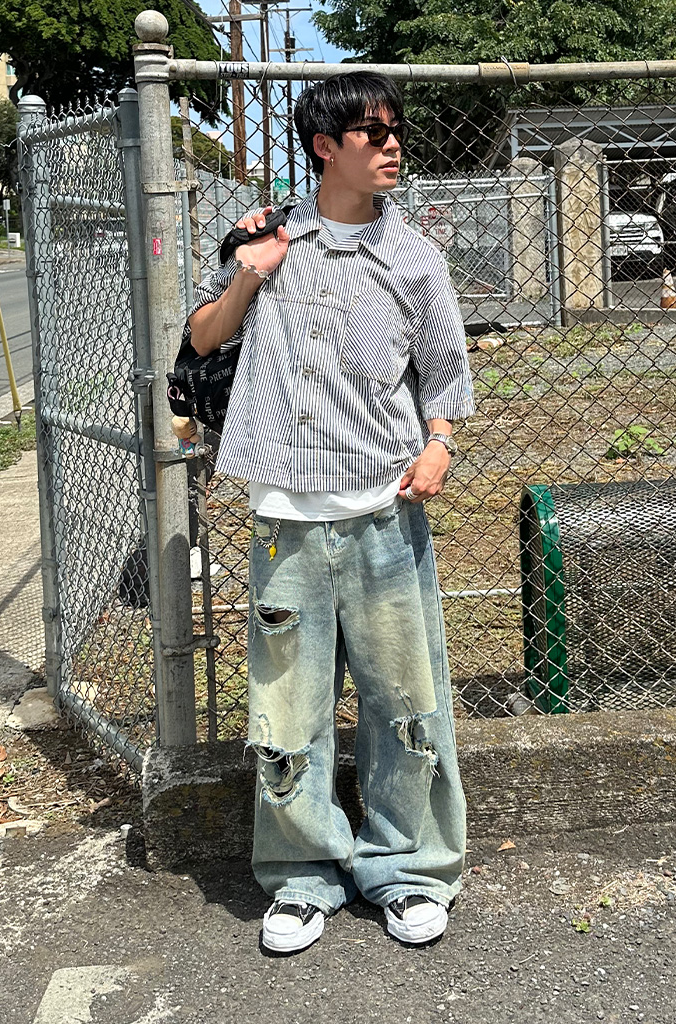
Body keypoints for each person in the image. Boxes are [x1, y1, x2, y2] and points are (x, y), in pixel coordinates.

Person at [186, 71, 474, 953]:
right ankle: (303, 875)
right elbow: (203, 336)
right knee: (287, 710)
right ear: (325, 146)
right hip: (286, 520)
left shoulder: (416, 259)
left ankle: (409, 868)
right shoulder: (266, 237)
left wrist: (440, 443)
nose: (392, 146)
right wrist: (250, 271)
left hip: (385, 511)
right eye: (372, 133)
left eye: (397, 132)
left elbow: (445, 372)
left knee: (405, 702)